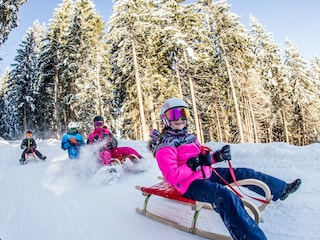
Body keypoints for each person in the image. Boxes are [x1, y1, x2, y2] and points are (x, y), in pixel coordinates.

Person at [148, 97, 302, 240]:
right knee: (224, 196)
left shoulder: (189, 137)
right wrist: (194, 164)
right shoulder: (165, 146)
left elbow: (203, 158)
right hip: (190, 185)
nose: (180, 118)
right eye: (174, 114)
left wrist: (217, 156)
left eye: (184, 113)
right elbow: (172, 177)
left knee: (243, 173)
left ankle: (280, 189)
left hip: (205, 174)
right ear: (165, 119)